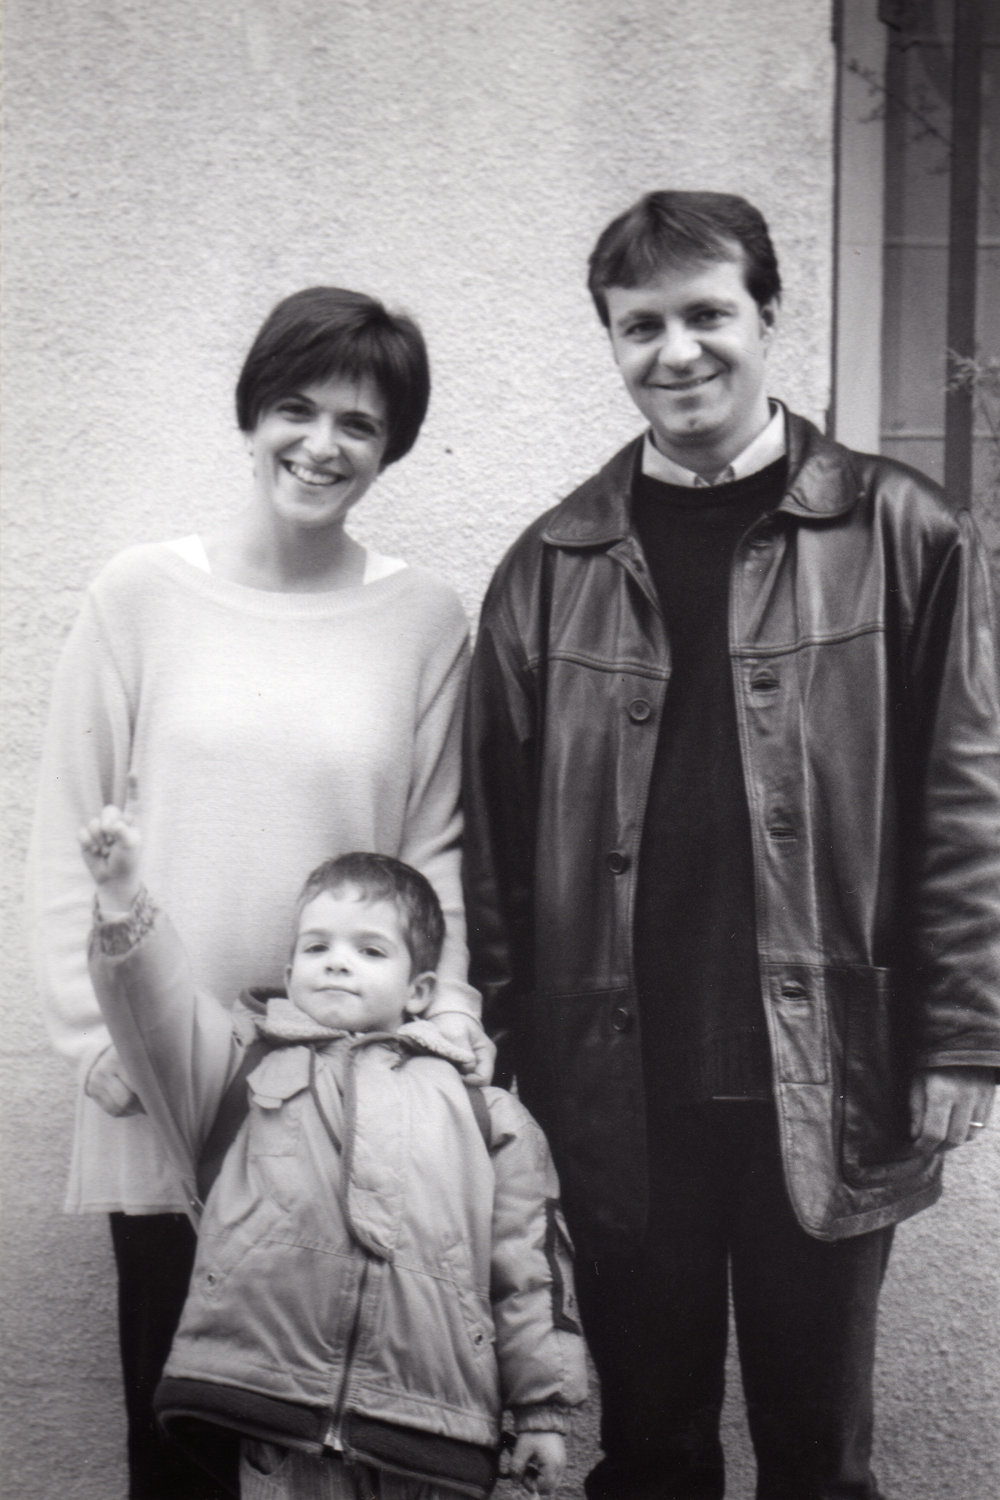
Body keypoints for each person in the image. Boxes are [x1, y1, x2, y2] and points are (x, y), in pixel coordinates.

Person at [462, 190, 1000, 1500]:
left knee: (818, 1458)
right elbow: (493, 835)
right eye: (640, 325)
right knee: (649, 1455)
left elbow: (968, 797)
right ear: (611, 341)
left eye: (708, 313)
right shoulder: (550, 563)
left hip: (833, 1076)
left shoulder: (905, 532)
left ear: (768, 314)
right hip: (611, 1087)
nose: (678, 351)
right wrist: (490, 1060)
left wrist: (968, 1032)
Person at [28, 286, 492, 1500]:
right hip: (165, 1084)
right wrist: (95, 1043)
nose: (322, 444)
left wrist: (443, 1042)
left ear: (390, 449)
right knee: (178, 1437)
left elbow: (432, 851)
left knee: (334, 1448)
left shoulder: (425, 619)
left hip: (342, 1103)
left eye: (360, 423)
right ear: (251, 416)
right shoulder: (139, 596)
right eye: (297, 407)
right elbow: (66, 834)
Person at [78, 794, 586, 1500]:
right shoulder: (240, 1073)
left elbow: (529, 1272)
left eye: (369, 950)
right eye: (317, 947)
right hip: (277, 1425)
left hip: (429, 1437)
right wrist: (122, 900)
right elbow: (157, 1011)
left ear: (421, 990)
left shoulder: (483, 1113)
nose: (338, 963)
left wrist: (542, 1413)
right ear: (288, 975)